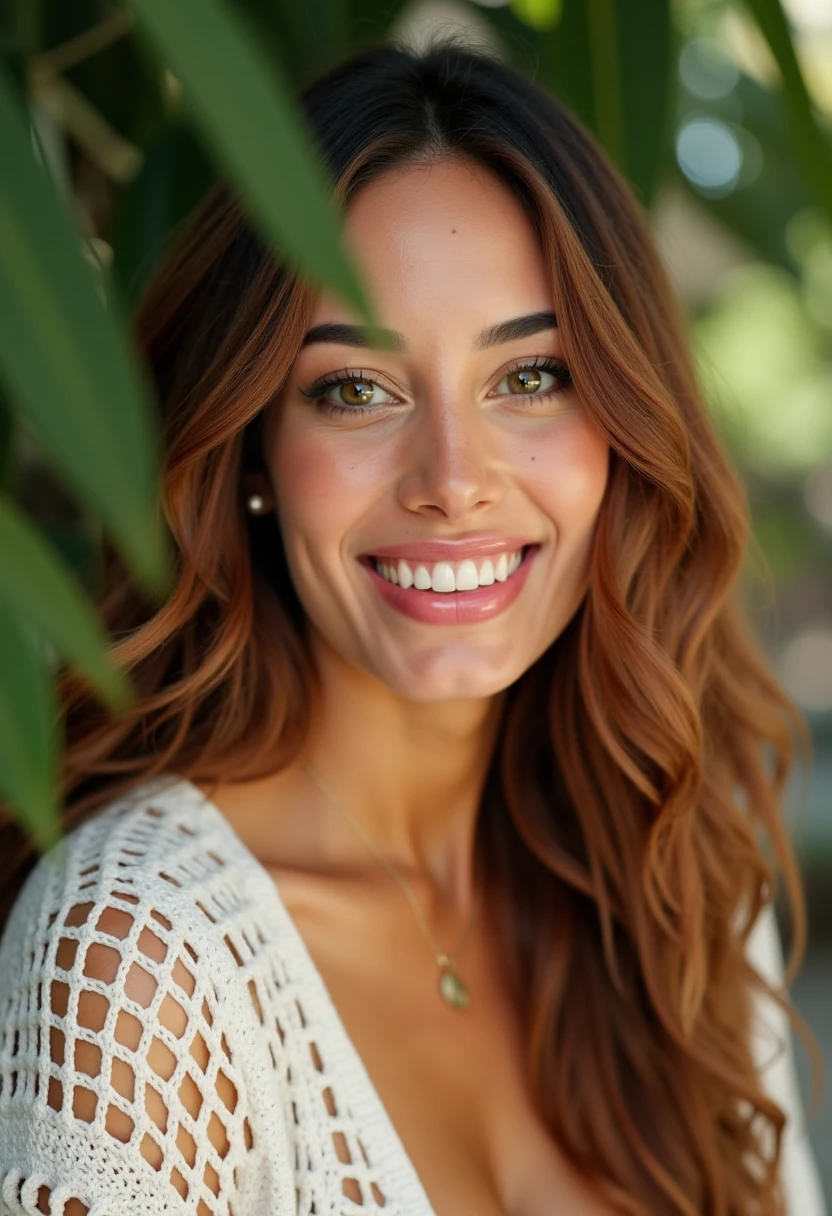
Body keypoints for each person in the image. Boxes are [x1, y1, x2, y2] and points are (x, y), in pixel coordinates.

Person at [0, 37, 825, 1216]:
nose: (453, 479)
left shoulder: (676, 865)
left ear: (624, 431)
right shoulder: (143, 965)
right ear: (253, 456)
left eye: (529, 377)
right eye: (355, 390)